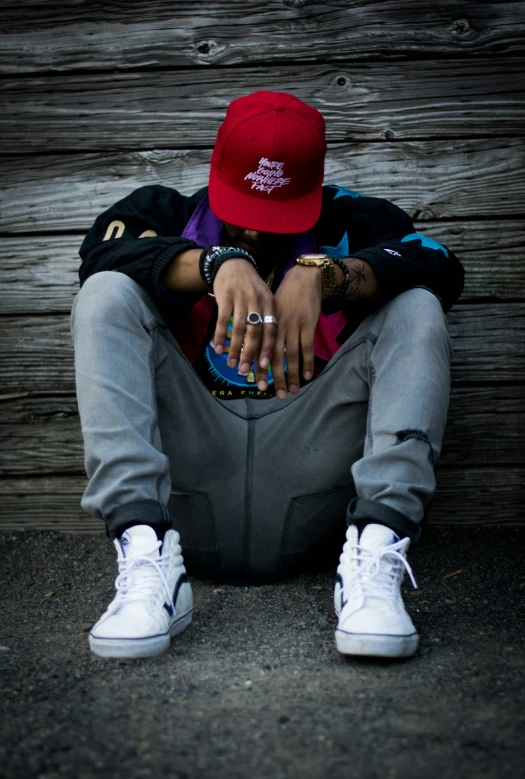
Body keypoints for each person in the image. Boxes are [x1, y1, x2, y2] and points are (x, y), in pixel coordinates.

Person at [72, 91, 464, 660]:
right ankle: (146, 554)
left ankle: (376, 561)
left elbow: (441, 266)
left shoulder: (353, 220)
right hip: (189, 486)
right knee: (105, 293)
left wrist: (328, 276)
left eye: (275, 220)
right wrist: (213, 264)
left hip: (312, 481)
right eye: (243, 217)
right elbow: (98, 257)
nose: (254, 234)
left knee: (417, 305)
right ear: (216, 172)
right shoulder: (160, 212)